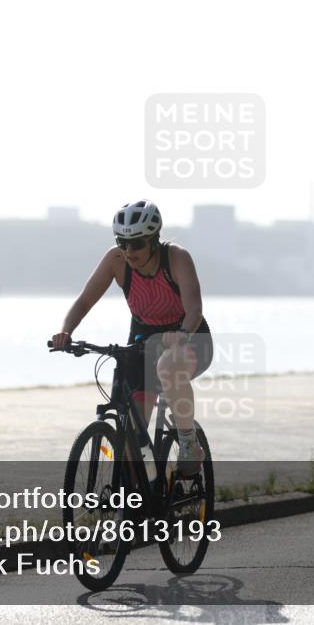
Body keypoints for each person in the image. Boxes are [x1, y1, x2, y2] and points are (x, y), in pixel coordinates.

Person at [51, 200, 212, 475]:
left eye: (136, 244)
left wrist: (182, 335)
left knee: (168, 367)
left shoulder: (176, 258)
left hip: (190, 336)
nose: (128, 251)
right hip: (143, 342)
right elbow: (83, 301)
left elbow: (195, 309)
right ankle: (138, 502)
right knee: (131, 437)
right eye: (122, 242)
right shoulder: (116, 260)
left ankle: (188, 443)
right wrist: (66, 330)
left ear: (153, 240)